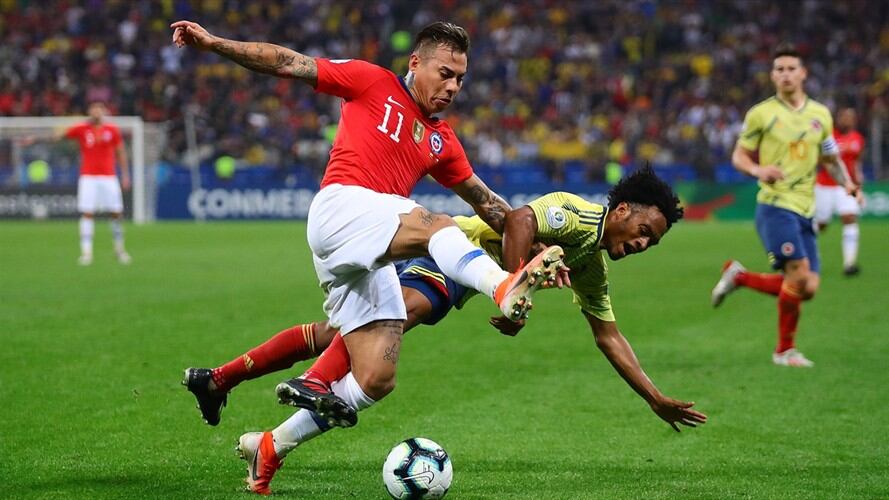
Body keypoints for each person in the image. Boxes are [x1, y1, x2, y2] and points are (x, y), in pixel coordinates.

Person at [171, 16, 565, 479]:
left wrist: (537, 246)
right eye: (445, 73)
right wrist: (216, 44)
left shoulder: (442, 140)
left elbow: (490, 205)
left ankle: (271, 446)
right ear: (415, 63)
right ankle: (500, 288)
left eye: (461, 78)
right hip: (342, 207)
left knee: (377, 375)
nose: (454, 86)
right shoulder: (371, 81)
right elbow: (287, 62)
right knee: (436, 224)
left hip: (371, 247)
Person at [185, 168, 708, 494]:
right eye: (644, 231)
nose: (643, 245)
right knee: (391, 323)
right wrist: (512, 282)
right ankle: (296, 412)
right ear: (621, 211)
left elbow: (608, 336)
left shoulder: (592, 267)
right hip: (445, 252)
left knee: (335, 333)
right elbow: (520, 219)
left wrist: (654, 397)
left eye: (651, 244)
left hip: (459, 281)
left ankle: (221, 382)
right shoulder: (578, 216)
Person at [711, 44, 860, 368]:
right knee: (799, 276)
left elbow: (831, 158)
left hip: (806, 207)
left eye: (791, 68)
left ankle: (740, 278)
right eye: (779, 69)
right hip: (775, 205)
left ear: (803, 73)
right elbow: (739, 156)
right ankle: (784, 351)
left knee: (808, 288)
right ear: (773, 75)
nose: (785, 74)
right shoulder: (761, 114)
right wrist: (757, 170)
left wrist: (847, 183)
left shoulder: (820, 114)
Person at [23, 101, 132, 265]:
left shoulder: (112, 130)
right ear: (89, 111)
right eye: (93, 108)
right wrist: (36, 139)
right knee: (87, 213)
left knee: (116, 213)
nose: (96, 111)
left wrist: (125, 175)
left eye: (99, 108)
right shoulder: (81, 129)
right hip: (88, 177)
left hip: (109, 176)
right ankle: (86, 253)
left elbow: (121, 152)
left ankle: (119, 249)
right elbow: (57, 137)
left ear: (103, 111)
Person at [814, 107, 866, 276]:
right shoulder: (830, 137)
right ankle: (802, 254)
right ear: (838, 119)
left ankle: (849, 263)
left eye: (850, 117)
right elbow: (823, 161)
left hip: (847, 187)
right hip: (825, 185)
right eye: (844, 117)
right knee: (821, 224)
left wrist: (859, 183)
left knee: (849, 218)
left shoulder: (858, 138)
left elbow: (857, 163)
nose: (847, 120)